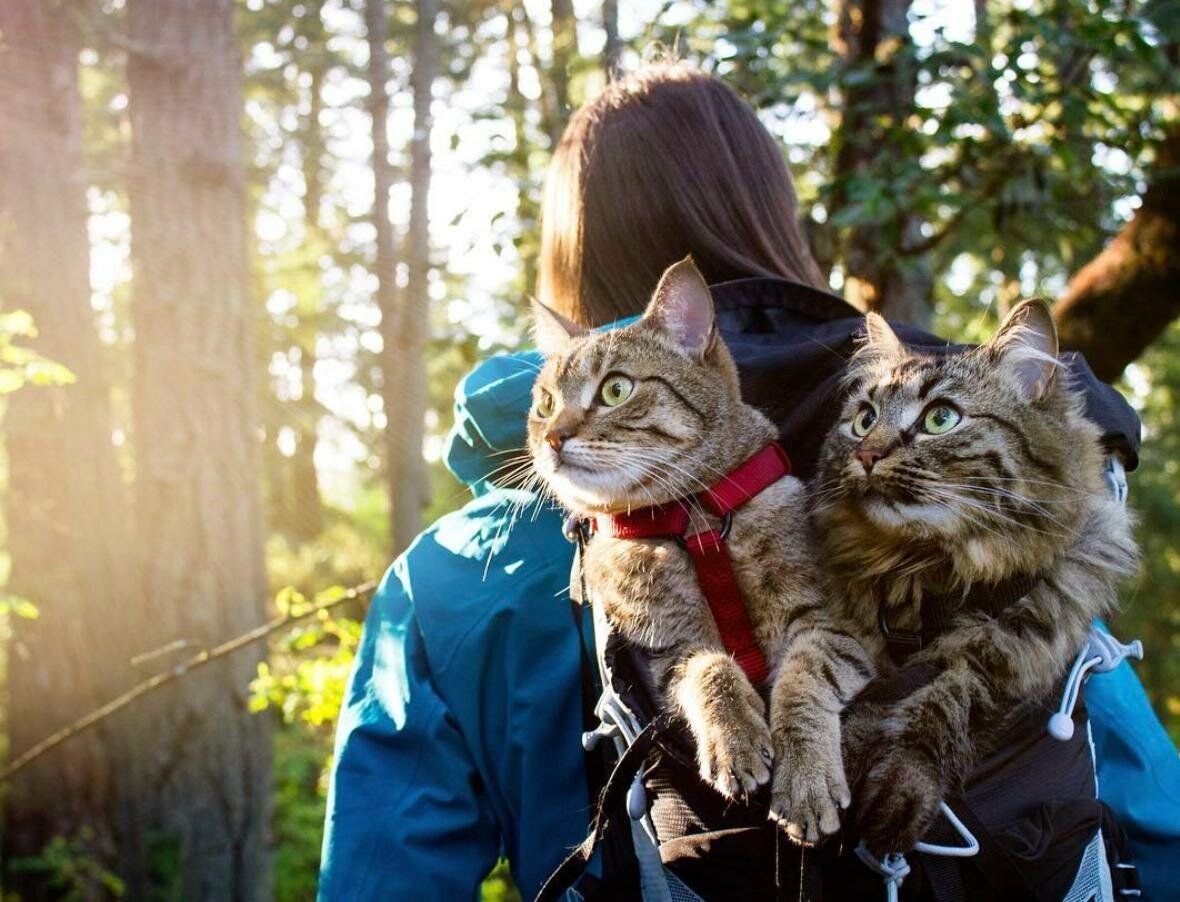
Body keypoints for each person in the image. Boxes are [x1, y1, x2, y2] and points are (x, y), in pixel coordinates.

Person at [319, 64, 1180, 900]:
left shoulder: (448, 579)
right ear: (774, 220)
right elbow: (1149, 815)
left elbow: (384, 875)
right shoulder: (981, 472)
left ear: (568, 264)